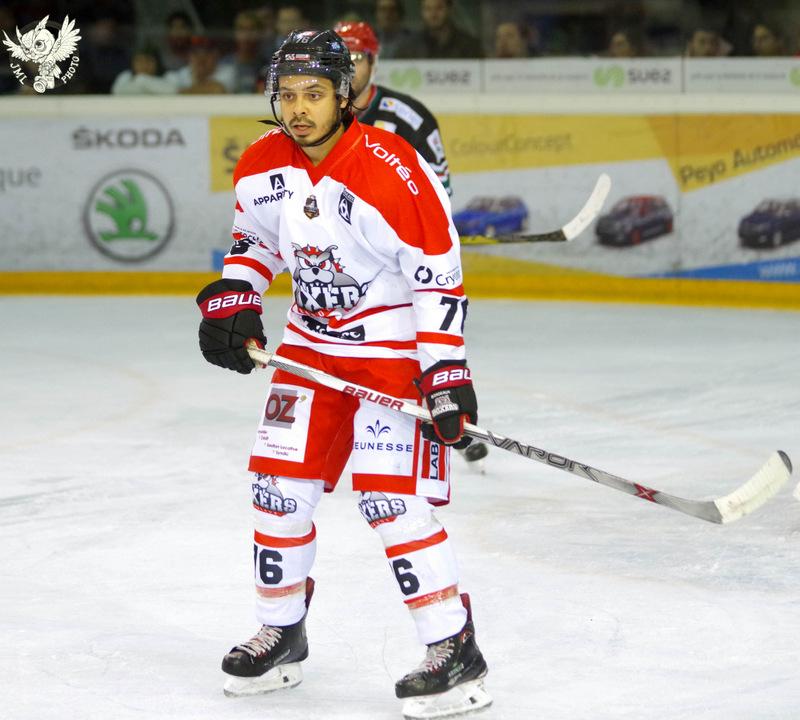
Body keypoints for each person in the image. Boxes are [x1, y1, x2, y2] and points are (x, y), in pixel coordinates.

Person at [194, 28, 491, 719]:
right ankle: (281, 632)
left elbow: (438, 275)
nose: (299, 108)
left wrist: (445, 371)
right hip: (309, 350)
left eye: (315, 93)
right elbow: (255, 241)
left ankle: (453, 647)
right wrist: (237, 297)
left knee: (391, 501)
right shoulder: (261, 162)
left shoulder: (393, 165)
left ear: (343, 96)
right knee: (276, 491)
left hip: (392, 355)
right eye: (288, 94)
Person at [333, 20, 489, 467]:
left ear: (374, 60)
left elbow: (439, 191)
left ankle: (447, 416)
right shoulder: (319, 118)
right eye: (340, 59)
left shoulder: (408, 117)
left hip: (398, 260)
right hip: (344, 262)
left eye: (356, 58)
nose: (349, 69)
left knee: (419, 335)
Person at [400, 0, 483, 59]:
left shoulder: (470, 45)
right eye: (428, 9)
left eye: (439, 8)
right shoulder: (410, 47)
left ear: (450, 10)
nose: (433, 14)